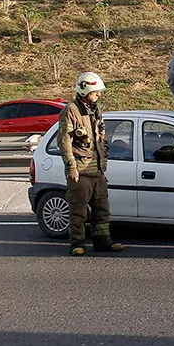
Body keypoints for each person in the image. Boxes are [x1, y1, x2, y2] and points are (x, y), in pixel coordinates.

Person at [59, 72, 123, 256]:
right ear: (84, 90)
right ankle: (76, 243)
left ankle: (103, 241)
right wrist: (72, 168)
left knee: (102, 210)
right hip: (81, 172)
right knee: (78, 210)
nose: (98, 95)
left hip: (98, 172)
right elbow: (64, 142)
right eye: (95, 92)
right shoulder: (71, 110)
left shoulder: (95, 110)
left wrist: (105, 155)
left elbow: (101, 137)